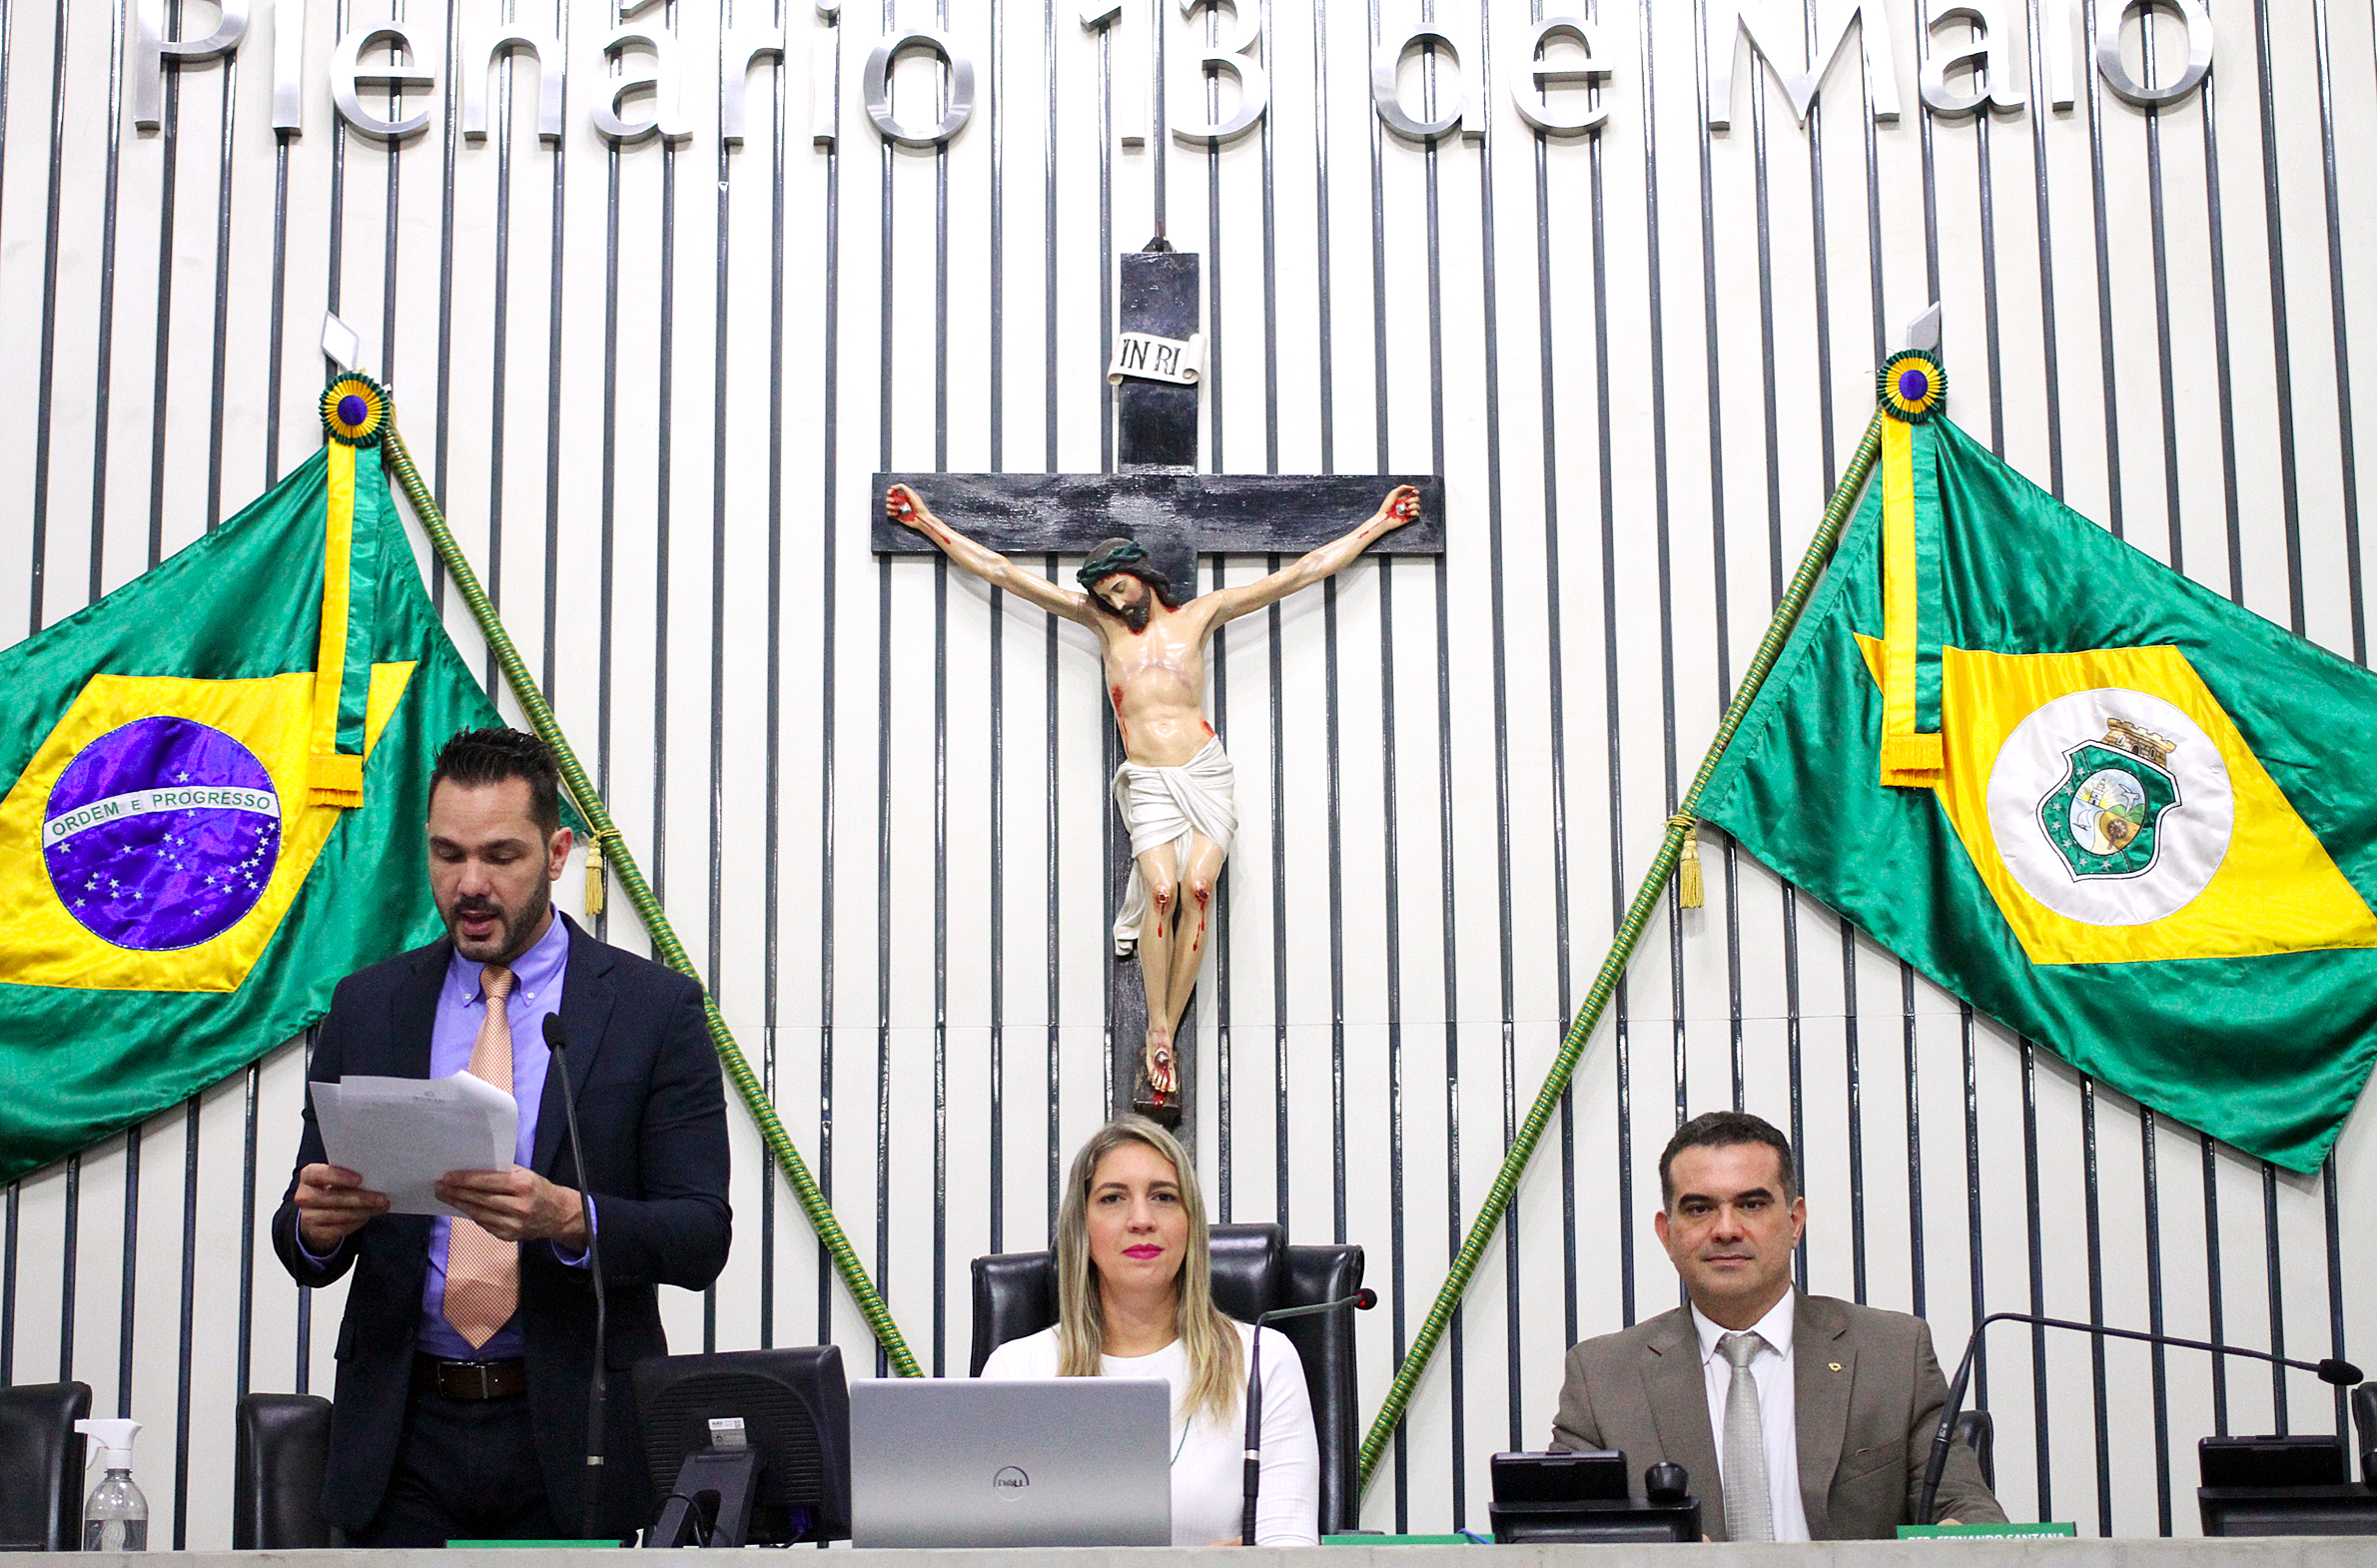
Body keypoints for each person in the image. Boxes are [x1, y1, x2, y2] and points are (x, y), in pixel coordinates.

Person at [271, 726, 731, 1544]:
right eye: (447, 855)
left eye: (500, 856)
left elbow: (701, 1236)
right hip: (402, 1430)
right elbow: (303, 1229)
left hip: (574, 1431)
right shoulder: (368, 1006)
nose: (469, 884)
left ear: (556, 853)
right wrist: (312, 1227)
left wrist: (568, 1219)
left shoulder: (653, 1010)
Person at [887, 481, 1418, 1112]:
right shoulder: (1101, 627)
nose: (1115, 599)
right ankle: (1159, 1031)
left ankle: (1162, 1028)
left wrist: (1379, 524)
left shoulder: (1202, 615)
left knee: (1197, 890)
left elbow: (1301, 573)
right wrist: (925, 523)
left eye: (1120, 587)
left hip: (1201, 769)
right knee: (1160, 893)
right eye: (1104, 593)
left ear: (1142, 575)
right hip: (1147, 778)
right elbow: (1003, 572)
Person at [1550, 1111, 2003, 1540]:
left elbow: (1969, 1509)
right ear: (1667, 1234)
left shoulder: (1892, 1354)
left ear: (1795, 1222)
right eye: (1699, 1209)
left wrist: (1959, 1539)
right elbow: (1559, 1537)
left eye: (1751, 1204)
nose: (1726, 1229)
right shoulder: (1602, 1377)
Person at [978, 1116, 1320, 1546]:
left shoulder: (1262, 1359)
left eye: (1163, 1196)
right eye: (1113, 1198)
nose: (1141, 1219)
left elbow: (1289, 1555)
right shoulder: (1017, 1371)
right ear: (1081, 1227)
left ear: (1190, 1224)